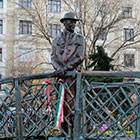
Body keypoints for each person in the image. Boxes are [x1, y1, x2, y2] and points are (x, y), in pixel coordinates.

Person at [51, 12, 86, 135]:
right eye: (70, 21)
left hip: (73, 77)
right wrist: (58, 68)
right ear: (64, 23)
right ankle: (63, 132)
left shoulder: (80, 38)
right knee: (60, 104)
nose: (73, 24)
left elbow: (80, 56)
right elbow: (53, 57)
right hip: (60, 77)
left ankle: (75, 132)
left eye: (74, 22)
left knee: (73, 104)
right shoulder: (56, 40)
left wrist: (65, 68)